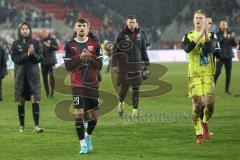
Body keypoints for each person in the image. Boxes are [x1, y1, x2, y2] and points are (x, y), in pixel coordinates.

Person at [64, 18, 103, 154]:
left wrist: (90, 58)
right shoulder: (69, 45)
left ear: (88, 28)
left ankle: (88, 136)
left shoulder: (95, 44)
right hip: (77, 85)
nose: (81, 28)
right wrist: (80, 58)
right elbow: (68, 67)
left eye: (84, 26)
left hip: (92, 85)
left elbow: (100, 66)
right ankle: (82, 145)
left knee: (93, 116)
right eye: (79, 25)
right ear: (75, 28)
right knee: (79, 114)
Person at [182, 10, 216, 144]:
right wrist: (201, 34)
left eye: (201, 18)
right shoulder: (188, 35)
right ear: (193, 20)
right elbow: (187, 49)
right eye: (196, 18)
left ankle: (205, 123)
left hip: (208, 74)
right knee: (198, 104)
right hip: (194, 75)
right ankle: (198, 133)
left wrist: (205, 35)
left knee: (210, 105)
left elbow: (210, 50)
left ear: (205, 21)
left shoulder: (212, 36)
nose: (198, 20)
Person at [112, 16, 149, 118]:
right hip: (124, 65)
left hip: (137, 65)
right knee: (124, 87)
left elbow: (143, 50)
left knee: (136, 88)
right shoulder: (121, 35)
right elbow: (115, 50)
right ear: (127, 24)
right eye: (130, 22)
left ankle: (135, 111)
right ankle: (121, 103)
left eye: (134, 22)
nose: (132, 24)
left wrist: (146, 64)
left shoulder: (140, 35)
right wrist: (114, 64)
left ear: (136, 23)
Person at [11, 22, 44, 133]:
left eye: (27, 29)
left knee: (35, 99)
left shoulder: (36, 42)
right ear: (20, 31)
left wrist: (33, 53)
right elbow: (16, 59)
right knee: (21, 101)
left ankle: (36, 126)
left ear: (30, 30)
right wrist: (27, 54)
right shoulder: (15, 44)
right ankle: (22, 126)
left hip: (33, 76)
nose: (25, 30)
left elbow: (39, 59)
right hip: (20, 76)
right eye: (23, 29)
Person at [214, 20, 237, 95]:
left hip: (229, 56)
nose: (224, 26)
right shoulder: (217, 34)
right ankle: (212, 87)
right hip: (220, 56)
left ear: (227, 26)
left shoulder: (230, 33)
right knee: (217, 72)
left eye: (225, 24)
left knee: (228, 74)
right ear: (220, 26)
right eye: (222, 25)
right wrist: (223, 38)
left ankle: (227, 90)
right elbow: (217, 44)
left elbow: (234, 45)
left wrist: (233, 38)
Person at [40, 28, 59, 98]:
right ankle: (47, 93)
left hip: (51, 62)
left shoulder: (52, 40)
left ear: (48, 33)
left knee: (52, 78)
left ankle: (52, 93)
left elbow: (57, 47)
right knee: (45, 79)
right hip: (43, 62)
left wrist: (50, 46)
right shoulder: (40, 41)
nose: (44, 34)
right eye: (43, 32)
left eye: (45, 32)